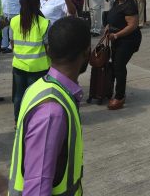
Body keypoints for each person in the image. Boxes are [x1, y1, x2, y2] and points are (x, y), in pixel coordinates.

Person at [8, 17, 89, 195]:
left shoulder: (39, 87)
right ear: (86, 53)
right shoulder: (53, 112)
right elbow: (36, 188)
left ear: (48, 50)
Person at [9, 0, 50, 123]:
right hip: (38, 67)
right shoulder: (44, 23)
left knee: (18, 96)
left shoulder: (14, 21)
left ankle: (18, 121)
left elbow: (12, 44)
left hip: (19, 65)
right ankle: (32, 122)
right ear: (37, 4)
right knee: (35, 97)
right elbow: (48, 47)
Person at [103, 0, 142, 110]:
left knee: (119, 66)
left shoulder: (130, 5)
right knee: (114, 65)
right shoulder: (116, 3)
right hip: (116, 39)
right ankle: (110, 90)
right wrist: (108, 27)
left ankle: (120, 97)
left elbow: (133, 25)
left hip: (128, 40)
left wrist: (117, 35)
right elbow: (113, 17)